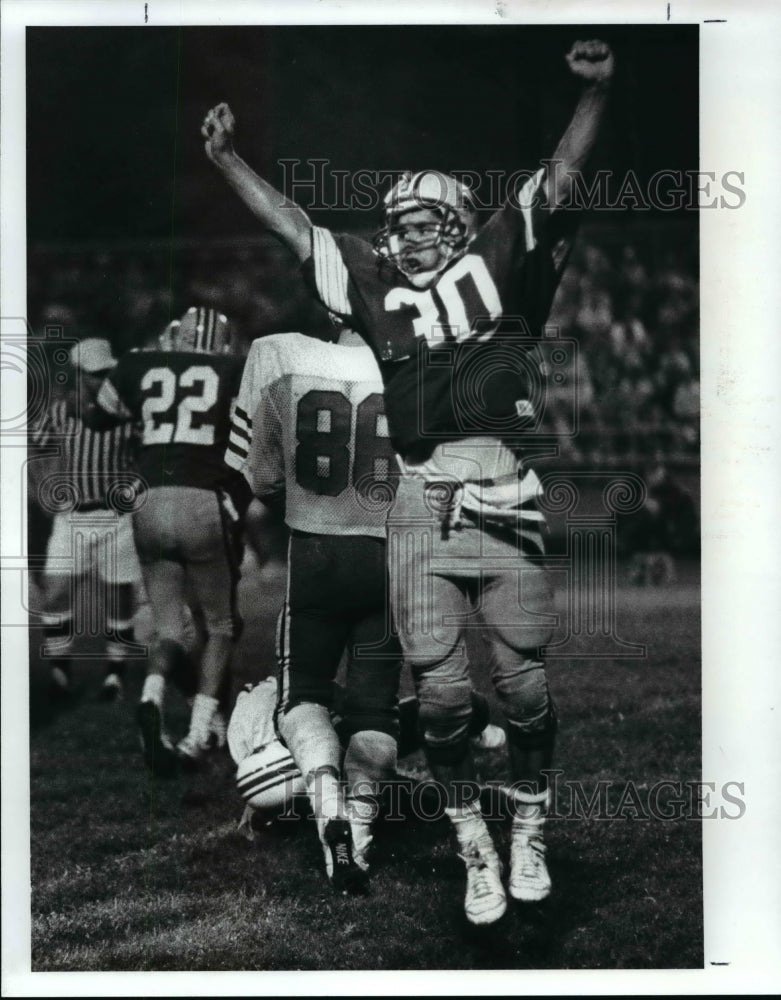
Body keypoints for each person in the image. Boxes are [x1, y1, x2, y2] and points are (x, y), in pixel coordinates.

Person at [203, 38, 614, 923]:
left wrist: (595, 94)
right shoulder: (373, 281)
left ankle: (529, 829)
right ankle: (474, 845)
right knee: (438, 694)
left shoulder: (505, 255)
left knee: (527, 689)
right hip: (419, 502)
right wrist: (229, 158)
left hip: (502, 494)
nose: (407, 233)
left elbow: (564, 175)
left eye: (425, 220)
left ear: (461, 223)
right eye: (400, 223)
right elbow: (293, 226)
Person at [225, 327, 405, 892]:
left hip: (317, 552)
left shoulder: (283, 354)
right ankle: (363, 831)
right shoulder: (410, 362)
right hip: (389, 550)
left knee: (303, 692)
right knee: (376, 707)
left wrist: (304, 505)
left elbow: (259, 477)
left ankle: (328, 810)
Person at [92, 307, 252, 774]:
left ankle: (152, 694)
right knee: (221, 626)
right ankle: (198, 735)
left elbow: (98, 417)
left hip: (147, 499)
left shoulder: (140, 364)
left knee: (168, 630)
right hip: (203, 498)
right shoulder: (236, 370)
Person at [30, 337, 143, 702]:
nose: (102, 380)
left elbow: (148, 454)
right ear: (78, 374)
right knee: (56, 593)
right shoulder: (60, 411)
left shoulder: (127, 412)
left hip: (115, 517)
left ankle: (115, 678)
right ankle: (61, 674)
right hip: (72, 518)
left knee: (118, 598)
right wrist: (44, 489)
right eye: (95, 374)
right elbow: (38, 449)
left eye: (107, 372)